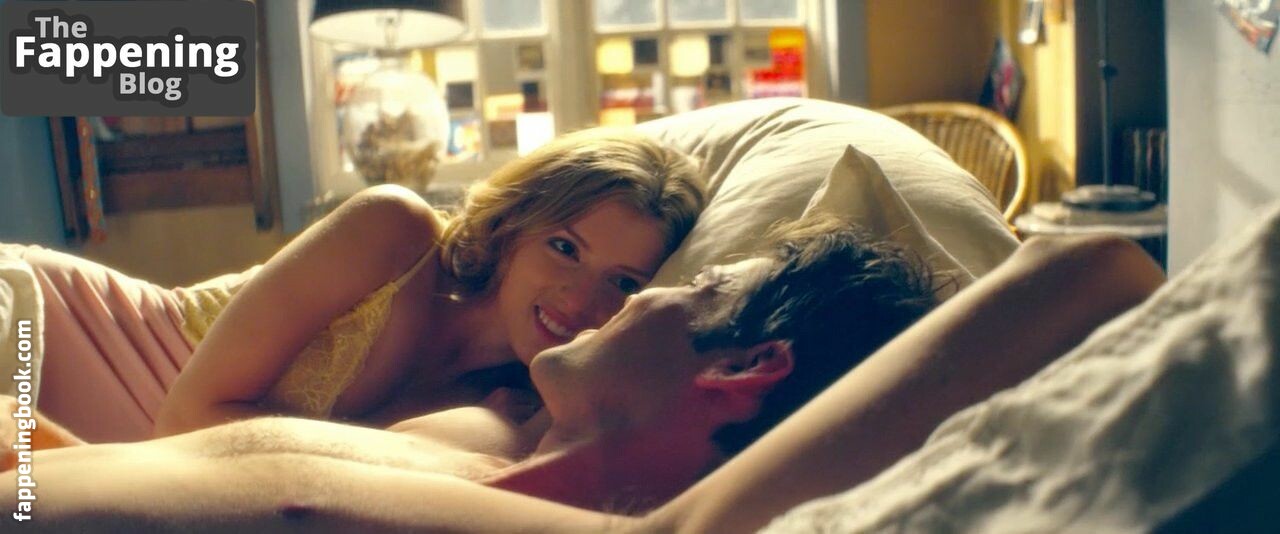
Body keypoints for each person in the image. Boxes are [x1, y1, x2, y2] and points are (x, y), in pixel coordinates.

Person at [0, 218, 1167, 532]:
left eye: (680, 292)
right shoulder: (477, 440)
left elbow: (1095, 270)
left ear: (745, 364)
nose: (637, 297)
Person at [11, 128, 706, 443]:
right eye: (565, 247)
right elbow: (189, 419)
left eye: (622, 282)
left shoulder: (516, 410)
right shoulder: (393, 232)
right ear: (516, 222)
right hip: (62, 334)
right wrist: (381, 443)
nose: (581, 302)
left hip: (131, 457)